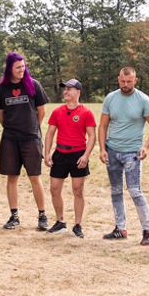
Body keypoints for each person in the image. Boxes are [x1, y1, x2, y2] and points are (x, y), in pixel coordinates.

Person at [98, 66, 149, 245]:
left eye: (129, 81)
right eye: (123, 81)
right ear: (118, 79)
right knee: (116, 191)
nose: (125, 84)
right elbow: (103, 125)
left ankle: (148, 231)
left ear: (135, 80)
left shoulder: (143, 100)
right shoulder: (110, 98)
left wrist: (146, 146)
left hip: (132, 153)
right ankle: (120, 228)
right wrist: (102, 148)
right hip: (112, 151)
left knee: (134, 191)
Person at [0, 52, 49, 231]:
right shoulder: (1, 89)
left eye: (23, 66)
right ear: (10, 68)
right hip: (10, 139)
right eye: (18, 67)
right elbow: (0, 115)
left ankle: (42, 216)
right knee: (12, 177)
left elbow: (41, 112)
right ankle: (14, 216)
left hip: (31, 138)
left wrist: (32, 128)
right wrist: (13, 127)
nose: (21, 70)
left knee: (35, 177)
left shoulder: (33, 85)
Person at [44, 79, 96, 237]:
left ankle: (78, 225)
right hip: (60, 154)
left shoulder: (86, 112)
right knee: (54, 189)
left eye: (69, 89)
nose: (65, 91)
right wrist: (47, 153)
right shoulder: (57, 111)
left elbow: (92, 136)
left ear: (78, 92)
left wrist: (86, 156)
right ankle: (60, 222)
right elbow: (50, 133)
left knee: (78, 190)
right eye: (65, 89)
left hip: (78, 155)